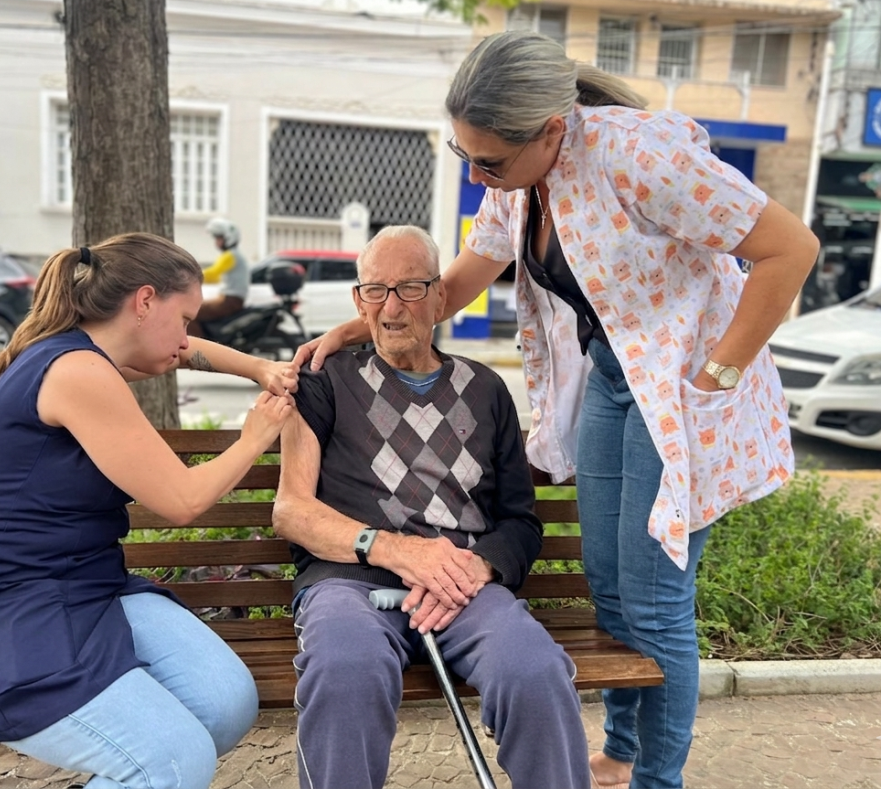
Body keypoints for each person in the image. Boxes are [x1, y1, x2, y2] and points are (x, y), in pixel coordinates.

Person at [296, 32, 820, 789]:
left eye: (490, 161)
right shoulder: (519, 180)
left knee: (655, 594)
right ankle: (622, 744)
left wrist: (714, 378)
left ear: (551, 129)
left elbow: (791, 248)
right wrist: (367, 318)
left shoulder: (636, 155)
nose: (477, 175)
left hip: (679, 388)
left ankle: (655, 778)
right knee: (607, 582)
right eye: (462, 156)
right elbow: (466, 274)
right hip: (611, 378)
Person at [0, 232, 296, 789]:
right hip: (7, 617)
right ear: (145, 302)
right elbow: (182, 500)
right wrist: (255, 436)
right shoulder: (77, 372)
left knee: (225, 703)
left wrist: (260, 369)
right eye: (186, 316)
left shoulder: (84, 353)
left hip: (87, 591)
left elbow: (181, 353)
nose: (188, 335)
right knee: (175, 760)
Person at [273, 225, 590, 789]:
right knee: (345, 670)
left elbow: (520, 521)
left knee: (536, 672)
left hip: (460, 585)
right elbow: (292, 511)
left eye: (411, 288)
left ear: (441, 296)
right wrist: (395, 551)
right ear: (358, 301)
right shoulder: (323, 383)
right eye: (376, 290)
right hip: (350, 582)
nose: (392, 308)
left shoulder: (487, 389)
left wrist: (478, 566)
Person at [189, 216, 249, 334]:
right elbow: (216, 277)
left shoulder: (230, 256)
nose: (216, 242)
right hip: (229, 299)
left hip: (229, 300)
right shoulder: (234, 255)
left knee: (191, 312)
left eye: (219, 238)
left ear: (228, 238)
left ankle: (199, 349)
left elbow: (213, 273)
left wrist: (189, 278)